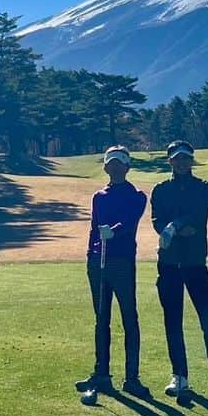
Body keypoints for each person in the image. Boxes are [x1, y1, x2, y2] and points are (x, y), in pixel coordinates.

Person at [151, 139, 208, 401]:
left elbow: (197, 216)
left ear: (191, 160)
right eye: (177, 158)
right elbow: (157, 220)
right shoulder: (160, 189)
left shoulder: (205, 188)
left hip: (195, 263)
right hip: (169, 264)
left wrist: (173, 227)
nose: (181, 162)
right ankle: (180, 376)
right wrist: (173, 228)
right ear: (170, 161)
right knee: (173, 321)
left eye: (186, 158)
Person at [73, 145, 152, 399]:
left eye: (120, 163)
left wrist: (113, 231)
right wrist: (90, 256)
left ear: (127, 167)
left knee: (129, 317)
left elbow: (129, 224)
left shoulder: (137, 195)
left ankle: (132, 378)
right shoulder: (99, 196)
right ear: (106, 167)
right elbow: (93, 229)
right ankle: (102, 374)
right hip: (97, 262)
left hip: (121, 261)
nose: (115, 167)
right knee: (101, 319)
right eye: (111, 163)